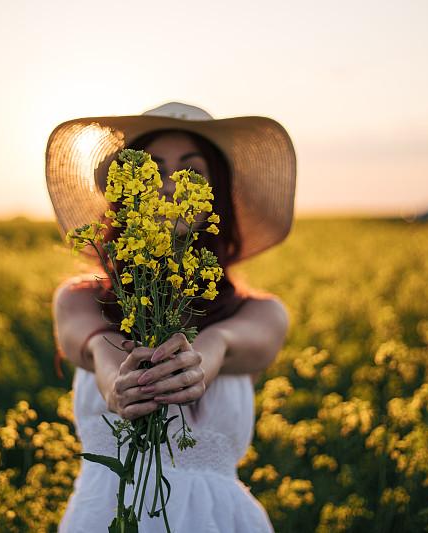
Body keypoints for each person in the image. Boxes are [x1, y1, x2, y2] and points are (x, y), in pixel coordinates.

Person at [47, 102, 296, 532]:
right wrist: (117, 381)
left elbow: (235, 342)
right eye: (152, 171)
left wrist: (207, 352)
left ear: (215, 192)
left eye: (191, 172)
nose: (169, 185)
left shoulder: (258, 312)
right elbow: (92, 346)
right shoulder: (79, 299)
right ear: (126, 194)